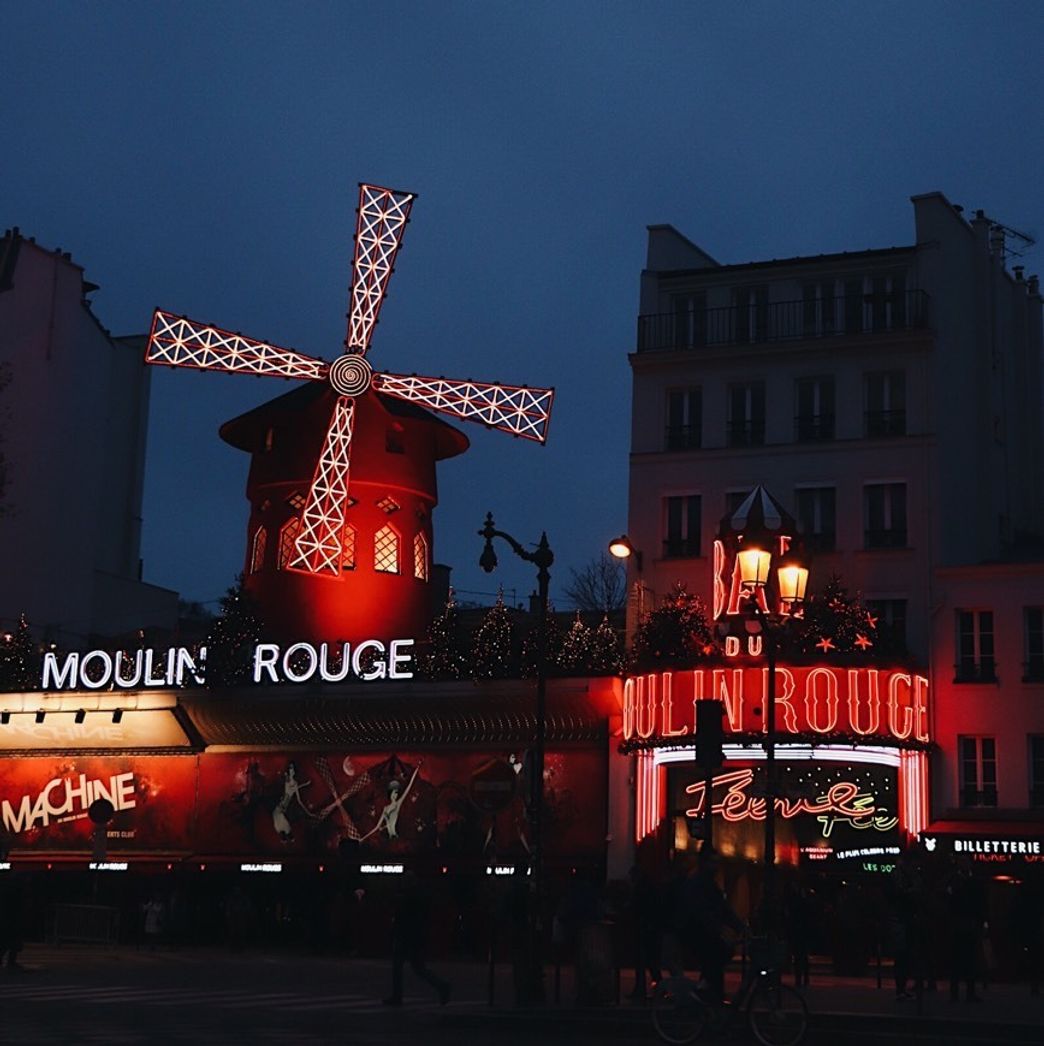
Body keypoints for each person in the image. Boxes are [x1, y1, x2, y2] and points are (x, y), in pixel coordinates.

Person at [679, 846, 743, 1005]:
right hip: (695, 931)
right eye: (712, 862)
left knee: (715, 962)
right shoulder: (697, 883)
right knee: (717, 955)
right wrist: (720, 927)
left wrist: (739, 926)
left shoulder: (707, 883)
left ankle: (710, 995)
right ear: (704, 863)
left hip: (704, 930)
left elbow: (723, 908)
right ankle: (706, 993)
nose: (715, 866)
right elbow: (700, 910)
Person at [383, 871, 451, 1006]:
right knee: (418, 968)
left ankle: (398, 996)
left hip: (407, 936)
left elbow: (402, 919)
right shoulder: (418, 897)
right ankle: (441, 986)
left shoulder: (408, 898)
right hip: (415, 936)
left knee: (401, 966)